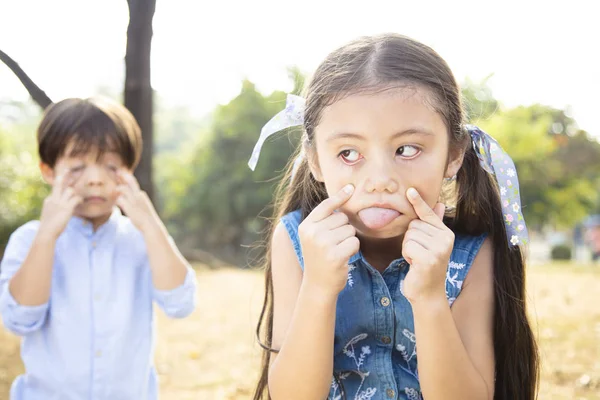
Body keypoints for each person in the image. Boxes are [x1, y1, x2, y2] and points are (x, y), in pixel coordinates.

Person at [249, 34, 538, 400]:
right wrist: (319, 288)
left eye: (407, 149)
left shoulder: (471, 253)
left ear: (454, 154)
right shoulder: (296, 240)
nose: (380, 180)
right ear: (316, 160)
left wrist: (430, 297)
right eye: (349, 153)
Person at [0, 97, 197, 400]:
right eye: (77, 167)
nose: (95, 180)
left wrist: (150, 223)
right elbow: (19, 319)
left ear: (129, 169)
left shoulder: (141, 238)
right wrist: (47, 236)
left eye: (110, 166)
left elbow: (180, 304)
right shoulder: (30, 240)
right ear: (49, 171)